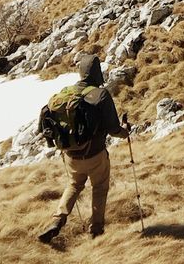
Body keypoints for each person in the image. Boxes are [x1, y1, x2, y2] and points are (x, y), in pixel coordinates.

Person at [38, 54, 130, 242]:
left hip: (71, 155)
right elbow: (113, 129)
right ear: (98, 73)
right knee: (99, 187)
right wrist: (125, 132)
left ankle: (58, 219)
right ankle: (96, 230)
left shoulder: (66, 92)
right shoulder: (100, 94)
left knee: (74, 184)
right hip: (95, 154)